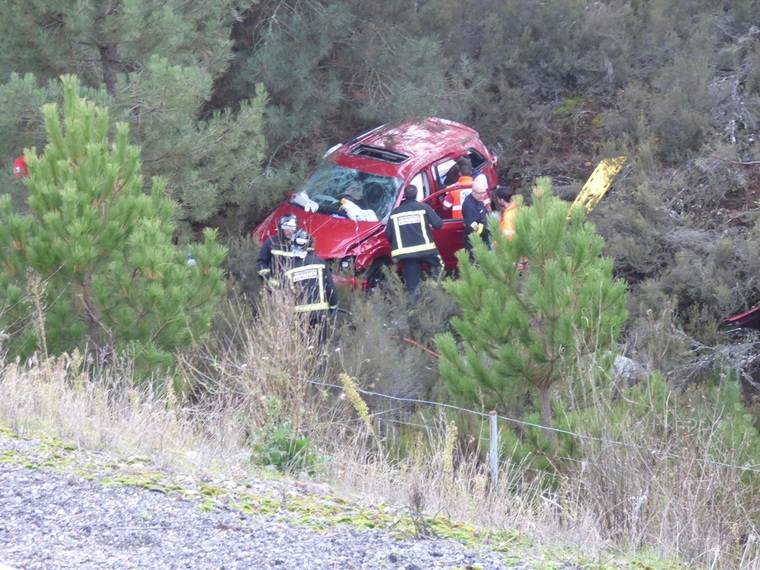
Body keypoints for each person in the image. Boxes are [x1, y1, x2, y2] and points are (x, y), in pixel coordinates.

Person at [386, 184, 443, 295]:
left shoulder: (395, 213)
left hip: (405, 253)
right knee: (439, 265)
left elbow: (388, 234)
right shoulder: (424, 208)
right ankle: (433, 290)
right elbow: (438, 225)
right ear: (416, 194)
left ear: (404, 196)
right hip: (426, 250)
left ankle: (413, 307)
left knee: (412, 286)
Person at [284, 229, 338, 339]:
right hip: (320, 314)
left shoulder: (288, 268)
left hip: (299, 316)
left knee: (303, 349)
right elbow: (330, 288)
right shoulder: (319, 263)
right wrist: (333, 307)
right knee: (322, 348)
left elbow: (285, 294)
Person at [256, 214, 298, 284]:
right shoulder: (271, 242)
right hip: (274, 287)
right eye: (286, 227)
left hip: (294, 287)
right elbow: (261, 263)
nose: (289, 231)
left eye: (292, 227)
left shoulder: (298, 244)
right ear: (280, 228)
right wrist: (270, 280)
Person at [462, 174, 491, 257]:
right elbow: (472, 226)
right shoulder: (469, 205)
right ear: (473, 192)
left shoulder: (478, 199)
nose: (483, 195)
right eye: (480, 193)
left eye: (484, 192)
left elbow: (484, 214)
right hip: (476, 242)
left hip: (483, 239)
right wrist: (486, 231)